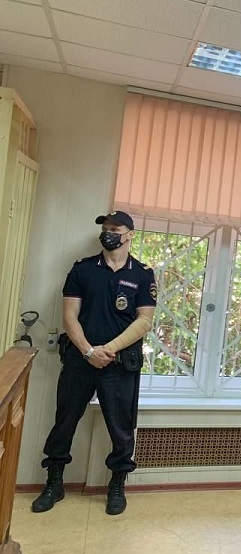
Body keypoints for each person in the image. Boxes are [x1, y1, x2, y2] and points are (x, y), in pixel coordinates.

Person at [32, 211, 156, 516]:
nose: (108, 233)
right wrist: (89, 351)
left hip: (119, 363)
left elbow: (144, 321)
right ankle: (54, 482)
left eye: (115, 228)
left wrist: (107, 350)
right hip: (80, 360)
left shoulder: (142, 274)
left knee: (121, 428)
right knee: (64, 422)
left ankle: (117, 485)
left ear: (130, 235)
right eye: (106, 228)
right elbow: (69, 316)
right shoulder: (82, 270)